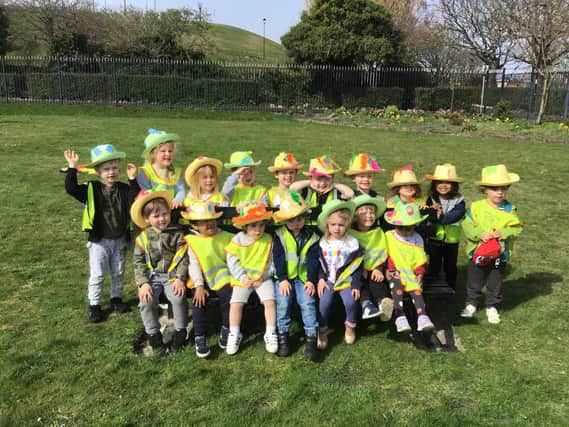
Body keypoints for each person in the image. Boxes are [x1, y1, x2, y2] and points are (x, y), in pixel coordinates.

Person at [64, 145, 138, 323]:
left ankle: (116, 300)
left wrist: (132, 179)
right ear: (97, 170)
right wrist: (72, 168)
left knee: (118, 272)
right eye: (106, 169)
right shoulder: (91, 188)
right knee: (97, 274)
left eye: (114, 168)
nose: (111, 172)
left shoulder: (123, 188)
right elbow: (71, 188)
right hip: (99, 242)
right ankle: (94, 305)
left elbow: (136, 197)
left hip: (119, 239)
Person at [460, 165, 523, 324]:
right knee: (475, 280)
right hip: (477, 252)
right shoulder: (476, 207)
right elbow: (467, 224)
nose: (500, 192)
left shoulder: (509, 209)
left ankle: (491, 306)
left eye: (503, 188)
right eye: (495, 189)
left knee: (495, 281)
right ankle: (472, 303)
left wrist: (503, 232)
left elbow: (517, 228)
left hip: (499, 255)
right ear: (484, 190)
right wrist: (479, 234)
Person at [131, 190, 189, 353]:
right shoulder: (142, 238)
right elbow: (138, 262)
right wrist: (143, 283)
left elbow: (183, 257)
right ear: (147, 219)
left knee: (178, 297)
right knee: (146, 300)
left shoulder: (177, 233)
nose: (162, 219)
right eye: (156, 216)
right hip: (152, 277)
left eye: (165, 214)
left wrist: (180, 278)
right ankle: (153, 335)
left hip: (172, 276)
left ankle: (180, 331)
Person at [181, 200, 233, 358]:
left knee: (228, 295)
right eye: (204, 222)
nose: (209, 224)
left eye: (211, 219)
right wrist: (199, 286)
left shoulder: (226, 237)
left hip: (223, 276)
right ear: (195, 226)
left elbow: (231, 259)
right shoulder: (192, 241)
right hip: (200, 279)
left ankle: (227, 327)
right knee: (199, 301)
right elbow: (193, 264)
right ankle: (200, 336)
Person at [272, 190, 320, 360]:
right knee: (283, 302)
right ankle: (283, 337)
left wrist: (311, 281)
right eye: (291, 220)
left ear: (305, 218)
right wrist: (283, 279)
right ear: (284, 220)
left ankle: (311, 339)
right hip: (284, 278)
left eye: (299, 218)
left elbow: (314, 261)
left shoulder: (312, 237)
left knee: (307, 302)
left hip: (304, 278)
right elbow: (278, 259)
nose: (296, 223)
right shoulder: (279, 235)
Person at [225, 202, 277, 355]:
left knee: (270, 302)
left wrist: (264, 276)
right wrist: (242, 277)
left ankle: (271, 332)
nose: (258, 230)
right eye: (254, 226)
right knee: (236, 304)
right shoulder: (238, 239)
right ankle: (234, 333)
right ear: (245, 226)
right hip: (243, 279)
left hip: (263, 279)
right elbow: (232, 261)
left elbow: (272, 262)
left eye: (261, 225)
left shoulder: (268, 239)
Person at [316, 200, 363, 349]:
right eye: (333, 225)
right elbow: (319, 264)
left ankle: (350, 327)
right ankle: (322, 330)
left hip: (345, 280)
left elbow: (356, 266)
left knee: (350, 301)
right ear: (327, 226)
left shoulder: (352, 243)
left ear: (347, 226)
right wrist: (320, 279)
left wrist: (355, 284)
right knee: (324, 302)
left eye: (341, 225)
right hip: (328, 280)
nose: (337, 228)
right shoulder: (323, 243)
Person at [384, 202, 434, 333]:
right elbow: (386, 254)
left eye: (409, 228)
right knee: (397, 288)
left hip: (411, 273)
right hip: (395, 272)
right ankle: (400, 317)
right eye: (402, 228)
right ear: (395, 225)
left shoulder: (417, 238)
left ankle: (423, 316)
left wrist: (420, 274)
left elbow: (420, 259)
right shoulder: (389, 236)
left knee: (416, 289)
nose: (406, 231)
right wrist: (387, 269)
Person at [349, 194, 394, 321]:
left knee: (377, 280)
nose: (369, 215)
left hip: (375, 267)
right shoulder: (350, 233)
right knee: (360, 281)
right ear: (355, 215)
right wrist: (361, 268)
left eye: (372, 211)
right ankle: (366, 305)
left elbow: (383, 251)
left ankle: (382, 303)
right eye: (363, 211)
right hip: (356, 270)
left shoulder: (378, 232)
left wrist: (379, 268)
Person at [424, 164, 466, 290]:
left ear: (454, 185)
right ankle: (433, 286)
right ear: (434, 184)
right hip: (434, 237)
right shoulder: (431, 199)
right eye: (440, 182)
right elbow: (429, 216)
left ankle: (450, 287)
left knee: (450, 266)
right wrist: (432, 213)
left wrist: (439, 217)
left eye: (448, 182)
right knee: (434, 264)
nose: (443, 185)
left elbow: (455, 216)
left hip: (451, 241)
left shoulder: (459, 201)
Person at [291, 155, 354, 230]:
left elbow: (350, 194)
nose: (322, 183)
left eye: (327, 179)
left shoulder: (336, 192)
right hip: (308, 230)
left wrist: (334, 184)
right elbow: (293, 188)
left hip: (328, 231)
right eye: (318, 179)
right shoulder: (306, 191)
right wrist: (310, 182)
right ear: (311, 178)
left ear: (332, 178)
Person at [137, 128, 186, 209]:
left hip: (172, 210)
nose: (168, 154)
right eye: (163, 151)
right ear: (153, 154)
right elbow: (144, 192)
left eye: (170, 151)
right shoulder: (145, 172)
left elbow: (181, 190)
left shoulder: (176, 172)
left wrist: (178, 200)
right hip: (154, 212)